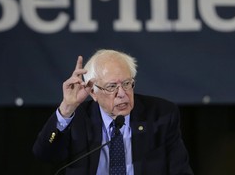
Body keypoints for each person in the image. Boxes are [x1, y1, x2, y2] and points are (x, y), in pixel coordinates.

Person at [33, 49, 194, 175]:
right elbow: (44, 155)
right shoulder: (77, 118)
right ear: (93, 92)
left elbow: (180, 170)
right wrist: (67, 108)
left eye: (126, 83)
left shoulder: (161, 114)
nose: (122, 93)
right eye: (111, 87)